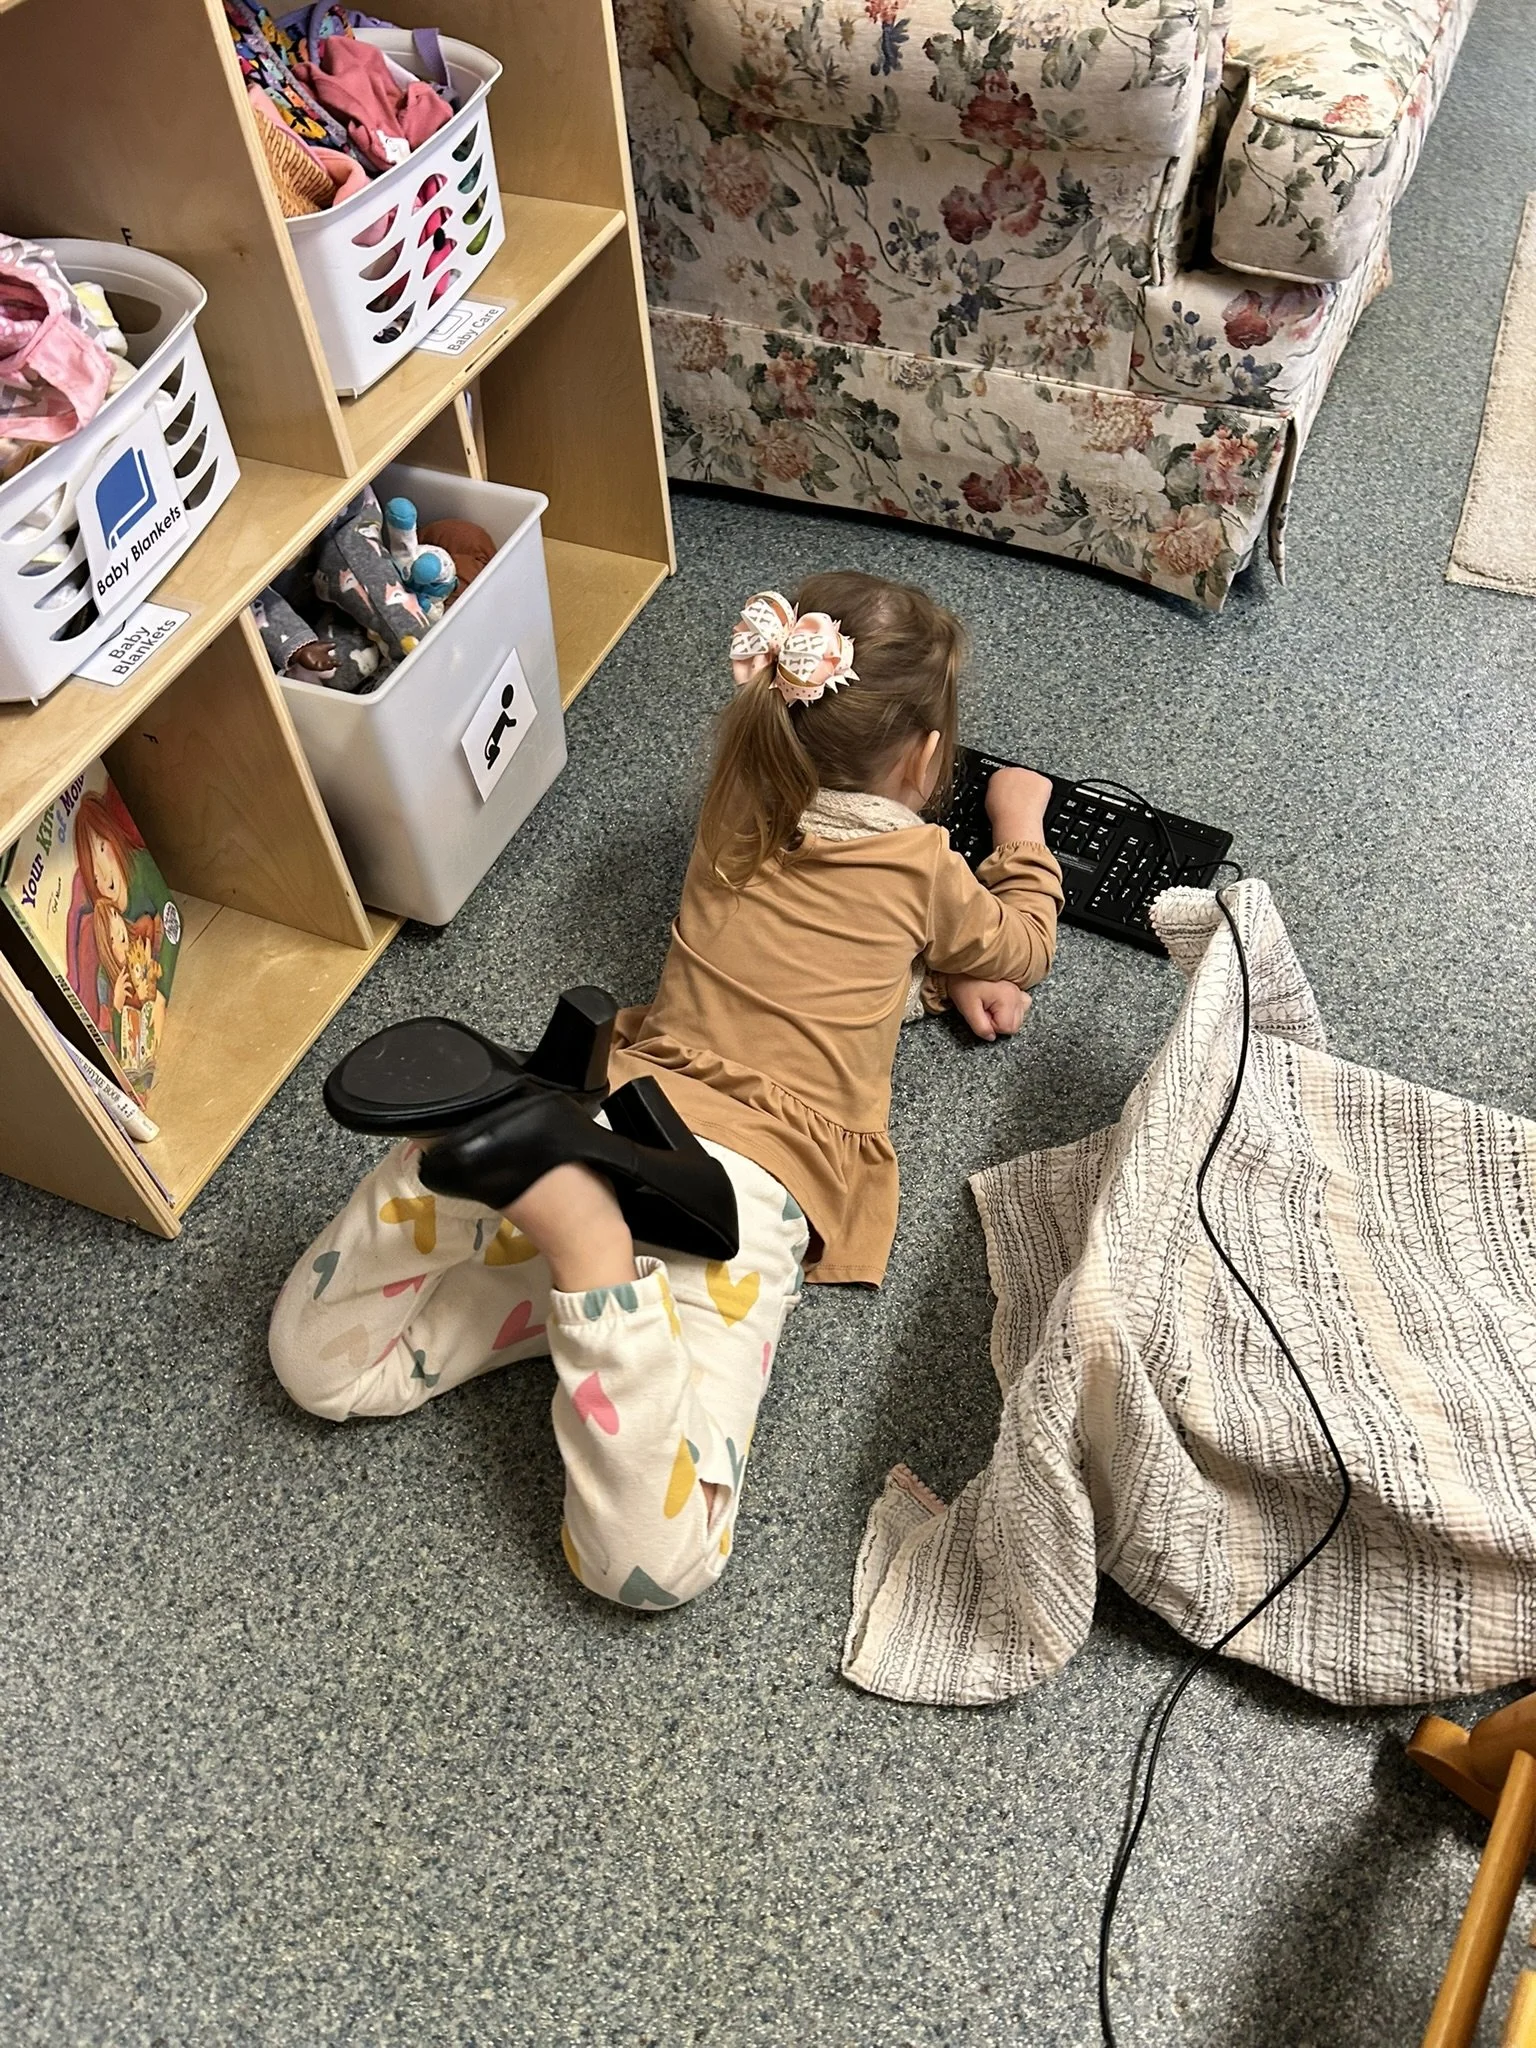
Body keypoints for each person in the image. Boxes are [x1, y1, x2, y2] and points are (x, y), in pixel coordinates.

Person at [269, 572, 1064, 1612]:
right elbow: (1026, 946)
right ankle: (591, 1247)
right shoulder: (925, 867)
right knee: (657, 1567)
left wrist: (925, 977)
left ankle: (447, 1161)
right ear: (923, 760)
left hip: (612, 1112)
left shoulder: (738, 791)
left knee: (323, 1376)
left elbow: (820, 948)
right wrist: (1019, 826)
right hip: (737, 1192)